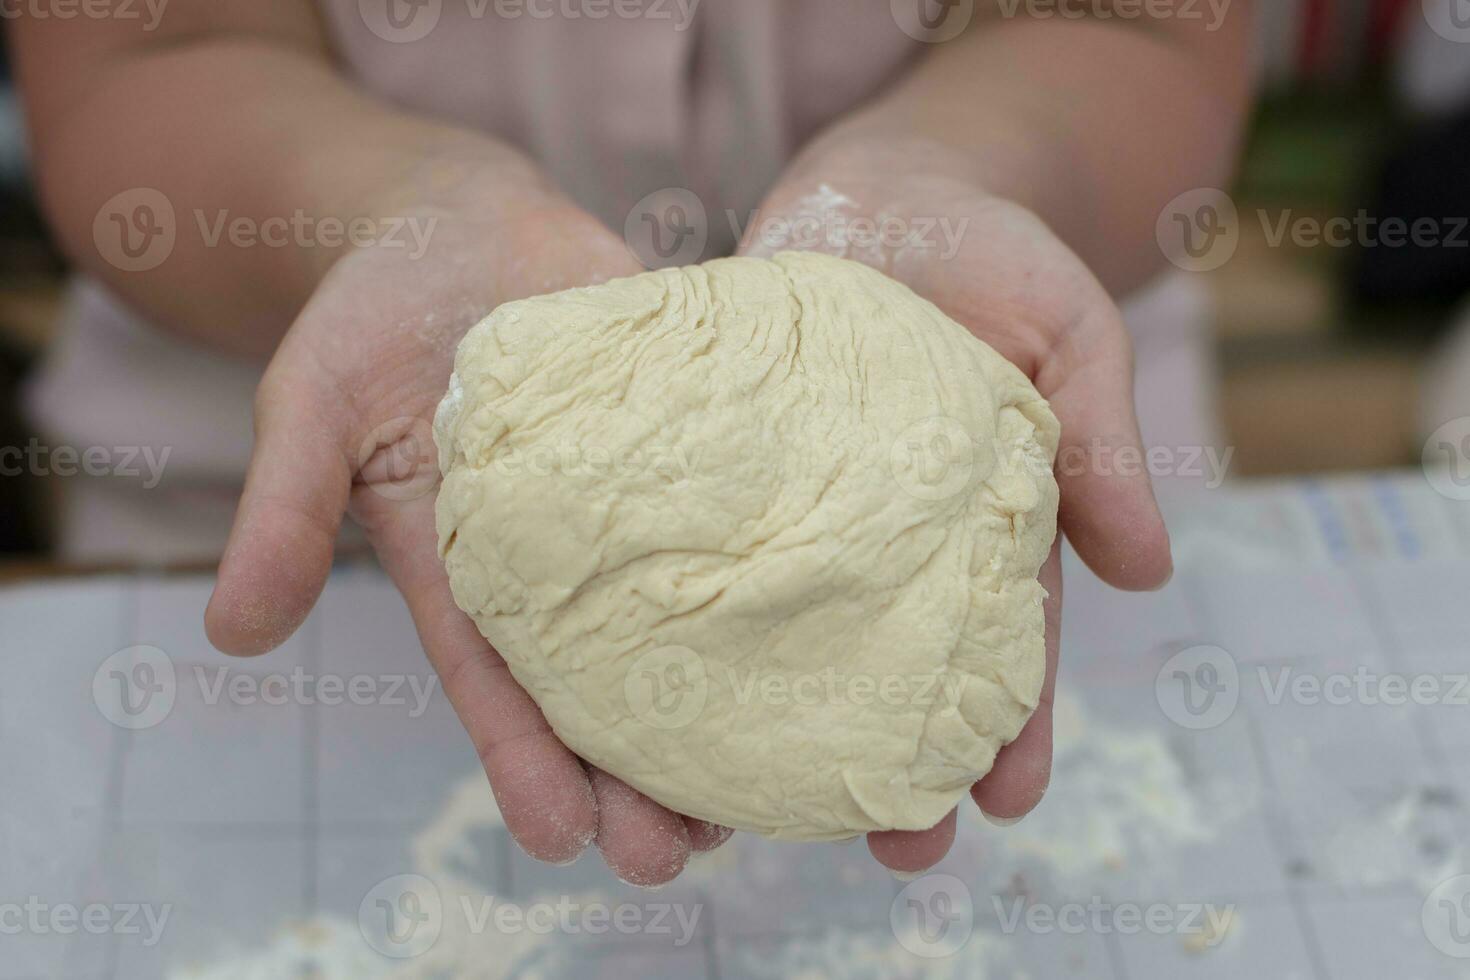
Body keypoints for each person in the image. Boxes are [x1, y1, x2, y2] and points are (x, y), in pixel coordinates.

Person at [10, 0, 1254, 886]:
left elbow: (1144, 25)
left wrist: (960, 165)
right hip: (281, 446)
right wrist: (391, 211)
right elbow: (151, 51)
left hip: (1014, 353)